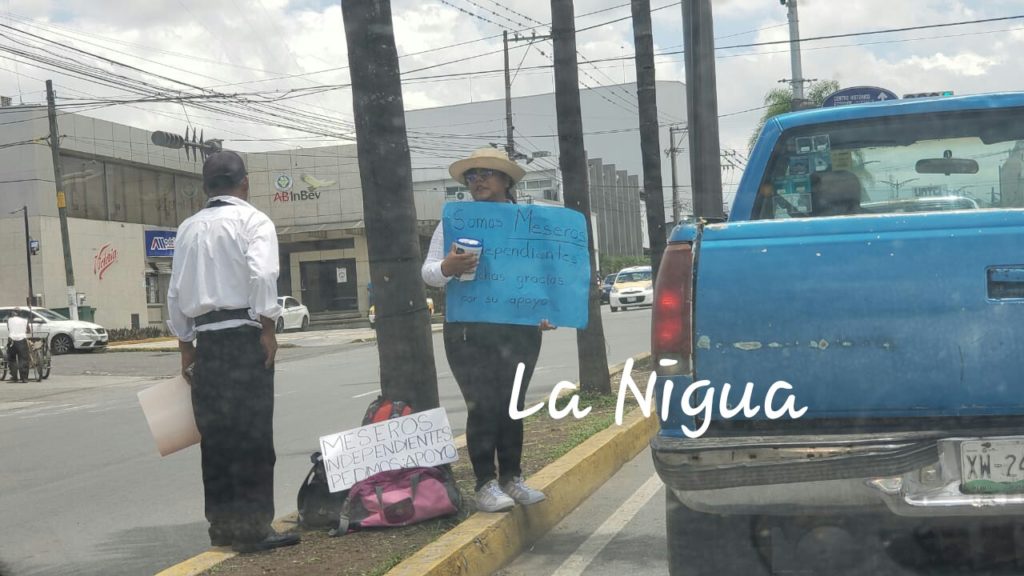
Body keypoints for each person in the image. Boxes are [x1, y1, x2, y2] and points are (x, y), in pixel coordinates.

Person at [167, 151, 300, 553]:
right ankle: (254, 527)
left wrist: (186, 346)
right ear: (245, 183)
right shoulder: (253, 220)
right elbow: (262, 274)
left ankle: (222, 527)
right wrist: (268, 328)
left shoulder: (187, 228)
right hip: (244, 337)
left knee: (217, 439)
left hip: (206, 341)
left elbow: (175, 293)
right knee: (254, 437)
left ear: (206, 187)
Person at [421, 147, 554, 513]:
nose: (476, 181)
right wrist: (448, 266)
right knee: (482, 405)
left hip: (519, 329)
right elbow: (429, 272)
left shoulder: (528, 222)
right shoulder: (456, 221)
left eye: (485, 173)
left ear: (506, 180)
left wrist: (546, 309)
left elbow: (544, 275)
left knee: (512, 405)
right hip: (468, 329)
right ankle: (484, 483)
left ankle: (512, 477)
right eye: (471, 176)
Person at [6, 309, 31, 382]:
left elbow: (9, 329)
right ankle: (24, 378)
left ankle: (14, 377)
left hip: (12, 341)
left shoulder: (9, 320)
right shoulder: (25, 320)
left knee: (12, 359)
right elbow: (28, 331)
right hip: (22, 340)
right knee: (23, 359)